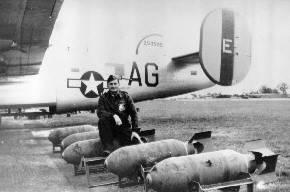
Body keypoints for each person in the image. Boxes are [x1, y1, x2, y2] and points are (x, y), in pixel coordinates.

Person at [97, 75, 138, 156]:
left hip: (123, 127)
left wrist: (134, 130)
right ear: (107, 85)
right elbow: (100, 112)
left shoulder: (125, 96)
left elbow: (134, 114)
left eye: (115, 84)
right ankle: (107, 149)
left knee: (130, 149)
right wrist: (113, 115)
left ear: (118, 85)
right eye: (111, 84)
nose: (113, 86)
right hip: (110, 129)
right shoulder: (103, 98)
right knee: (102, 121)